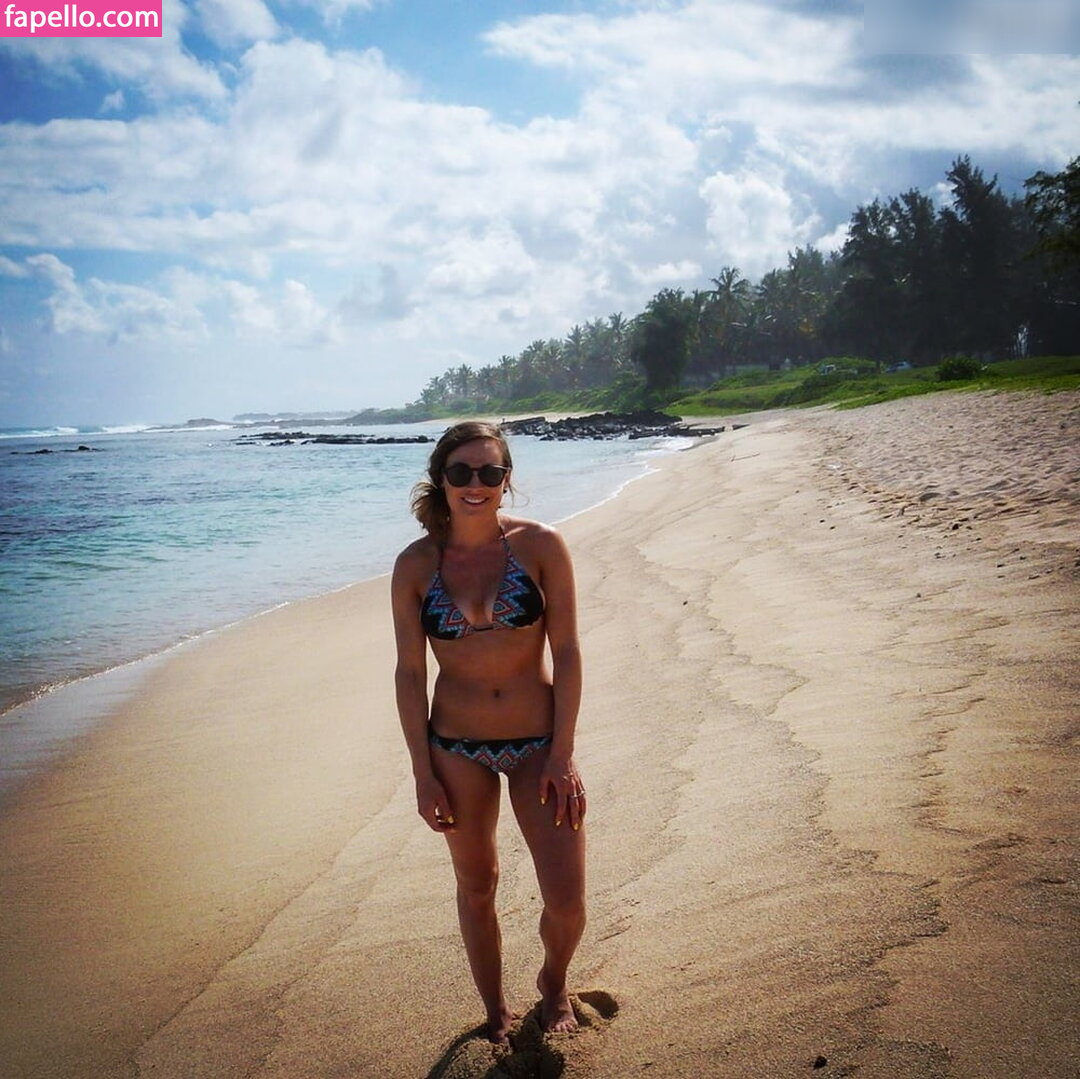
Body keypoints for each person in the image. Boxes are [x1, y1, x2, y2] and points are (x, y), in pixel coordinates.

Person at [391, 421, 587, 1043]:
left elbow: (569, 652)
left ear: (506, 480)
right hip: (456, 748)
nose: (475, 484)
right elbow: (409, 673)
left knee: (567, 901)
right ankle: (495, 1010)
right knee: (477, 886)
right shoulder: (415, 565)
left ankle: (553, 983)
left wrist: (563, 754)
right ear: (441, 479)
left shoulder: (541, 546)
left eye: (489, 472)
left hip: (539, 745)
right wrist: (422, 773)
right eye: (461, 472)